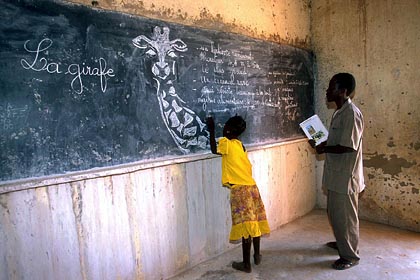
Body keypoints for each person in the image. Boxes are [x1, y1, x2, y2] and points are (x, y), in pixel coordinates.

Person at [309, 72, 365, 270]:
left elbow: (349, 146)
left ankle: (350, 255)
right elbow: (337, 141)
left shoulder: (351, 113)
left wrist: (325, 148)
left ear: (343, 91)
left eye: (332, 87)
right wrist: (321, 144)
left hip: (345, 176)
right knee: (336, 214)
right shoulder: (340, 111)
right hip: (336, 174)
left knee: (346, 217)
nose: (327, 90)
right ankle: (343, 242)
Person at [206, 115, 270, 273]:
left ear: (227, 129)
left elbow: (214, 149)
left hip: (240, 191)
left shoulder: (226, 143)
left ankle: (246, 264)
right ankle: (256, 255)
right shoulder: (241, 145)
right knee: (254, 221)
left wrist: (211, 129)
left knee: (245, 227)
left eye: (225, 126)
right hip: (252, 187)